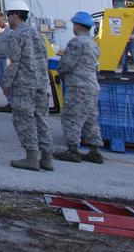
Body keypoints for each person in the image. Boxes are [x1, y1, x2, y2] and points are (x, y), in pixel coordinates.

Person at [2, 0, 54, 171]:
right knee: (41, 118)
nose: (8, 20)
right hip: (40, 83)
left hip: (23, 84)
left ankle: (31, 157)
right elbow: (44, 58)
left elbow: (12, 62)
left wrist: (6, 83)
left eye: (9, 16)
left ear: (15, 15)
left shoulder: (16, 35)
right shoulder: (37, 34)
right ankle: (47, 158)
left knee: (24, 119)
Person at [53, 11, 105, 165]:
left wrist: (59, 72)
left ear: (78, 25)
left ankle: (72, 150)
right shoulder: (92, 43)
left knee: (71, 117)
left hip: (78, 86)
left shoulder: (76, 42)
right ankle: (95, 151)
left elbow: (67, 63)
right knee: (90, 119)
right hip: (92, 86)